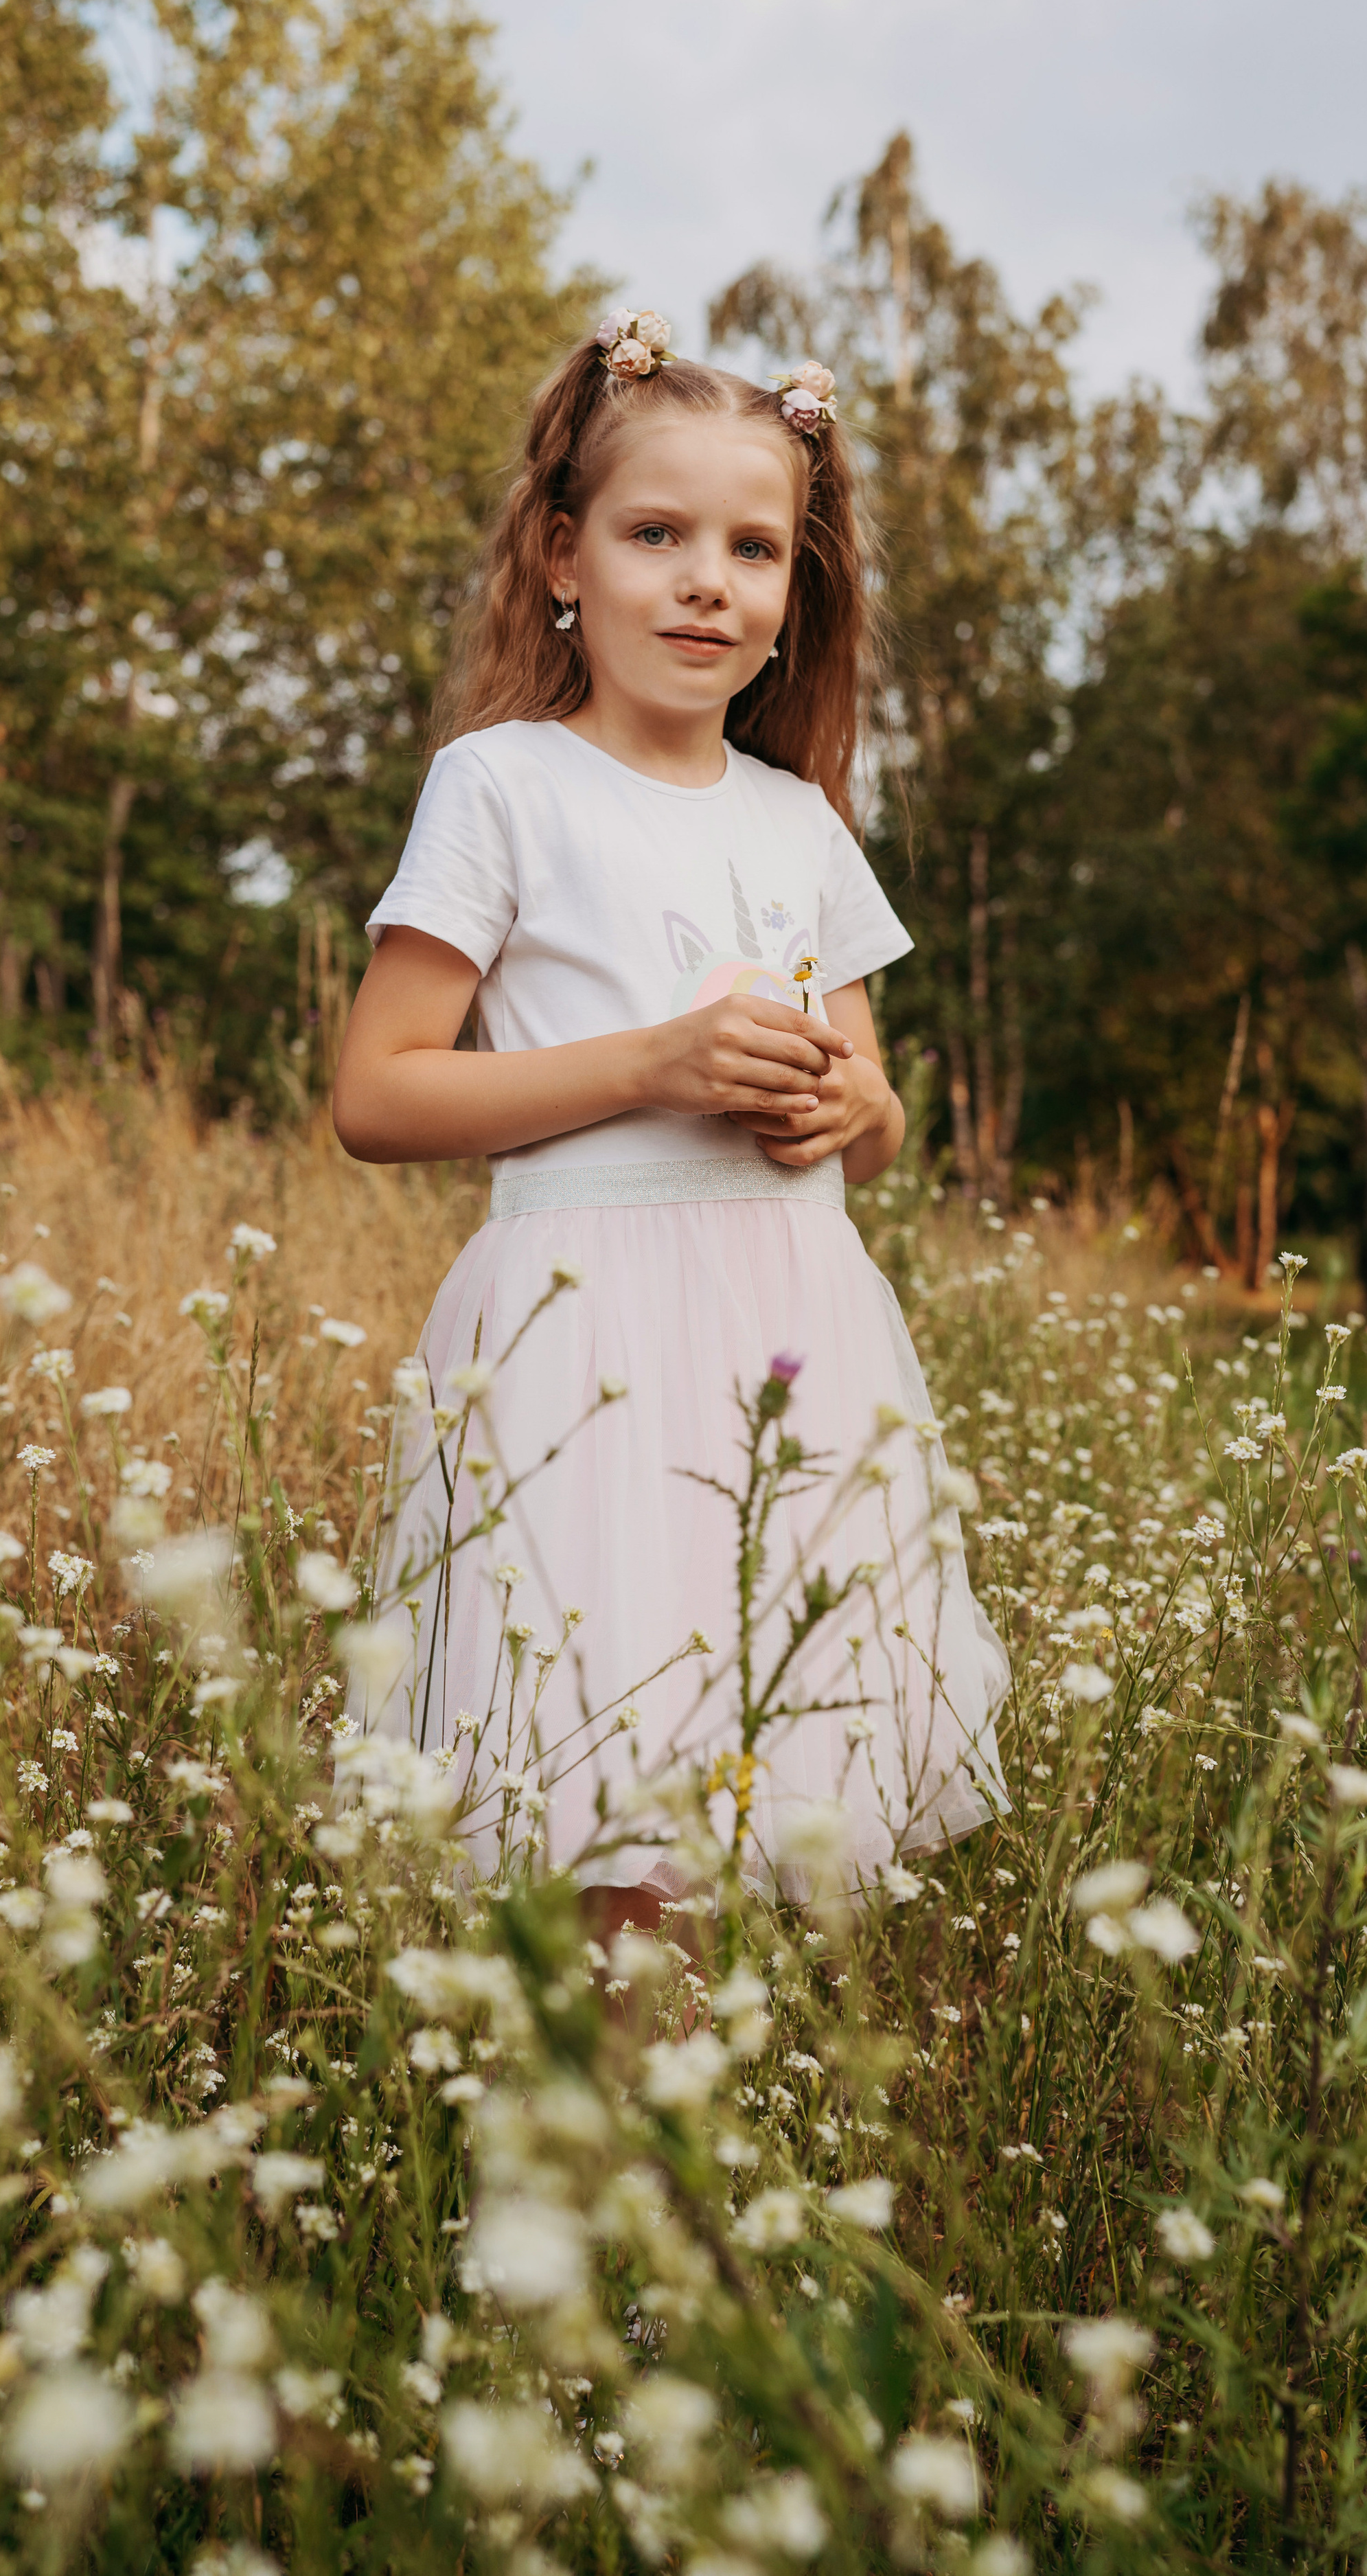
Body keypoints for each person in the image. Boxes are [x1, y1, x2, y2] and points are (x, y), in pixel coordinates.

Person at [333, 310, 1007, 1928]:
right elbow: (378, 1090)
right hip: (589, 1341)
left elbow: (871, 1125)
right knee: (602, 1795)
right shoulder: (501, 785)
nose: (708, 581)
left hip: (792, 1335)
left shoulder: (800, 823)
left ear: (793, 595)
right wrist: (652, 1066)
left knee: (770, 1778)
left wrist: (844, 1102)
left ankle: (695, 2081)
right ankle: (602, 2077)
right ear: (562, 556)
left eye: (752, 549)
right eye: (656, 536)